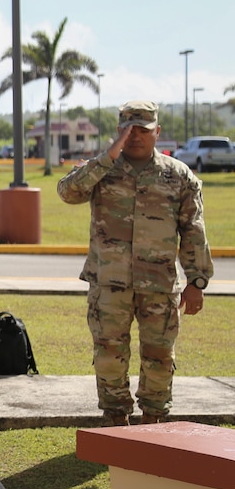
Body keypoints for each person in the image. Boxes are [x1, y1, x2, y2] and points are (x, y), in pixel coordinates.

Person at [56, 100, 213, 427]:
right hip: (109, 285)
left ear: (157, 132)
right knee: (110, 355)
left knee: (159, 357)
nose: (137, 136)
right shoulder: (102, 169)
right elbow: (67, 192)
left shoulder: (178, 176)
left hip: (159, 286)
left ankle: (153, 420)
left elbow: (193, 231)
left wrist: (197, 282)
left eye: (144, 130)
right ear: (119, 133)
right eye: (129, 130)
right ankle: (116, 420)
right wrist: (107, 156)